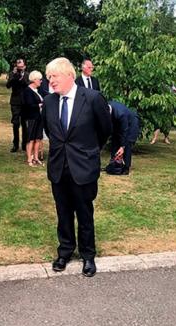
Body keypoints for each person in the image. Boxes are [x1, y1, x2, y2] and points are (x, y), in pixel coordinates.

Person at [42, 57, 112, 277]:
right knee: (63, 213)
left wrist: (88, 152)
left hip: (83, 167)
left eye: (55, 76)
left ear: (70, 75)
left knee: (84, 213)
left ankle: (88, 255)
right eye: (48, 77)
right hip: (58, 168)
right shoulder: (50, 102)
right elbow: (52, 133)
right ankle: (65, 251)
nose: (51, 81)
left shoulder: (92, 98)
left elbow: (104, 130)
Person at [107, 100, 140, 175]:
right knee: (115, 141)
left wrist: (122, 147)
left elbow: (124, 131)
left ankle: (126, 167)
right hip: (117, 124)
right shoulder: (106, 106)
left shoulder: (121, 114)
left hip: (131, 124)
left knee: (127, 144)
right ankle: (114, 164)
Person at [6, 58, 29, 152]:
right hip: (15, 102)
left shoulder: (27, 75)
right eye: (18, 67)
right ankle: (15, 145)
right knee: (15, 123)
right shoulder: (12, 74)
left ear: (25, 66)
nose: (20, 68)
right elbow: (8, 86)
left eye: (21, 67)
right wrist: (15, 76)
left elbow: (28, 85)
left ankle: (24, 144)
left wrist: (22, 77)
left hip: (25, 102)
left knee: (25, 124)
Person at [22, 70, 45, 166]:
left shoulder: (38, 91)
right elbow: (28, 105)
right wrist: (40, 105)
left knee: (38, 138)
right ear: (34, 80)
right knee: (30, 139)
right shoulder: (27, 91)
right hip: (30, 118)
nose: (41, 81)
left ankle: (36, 158)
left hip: (39, 117)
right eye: (40, 79)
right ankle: (29, 159)